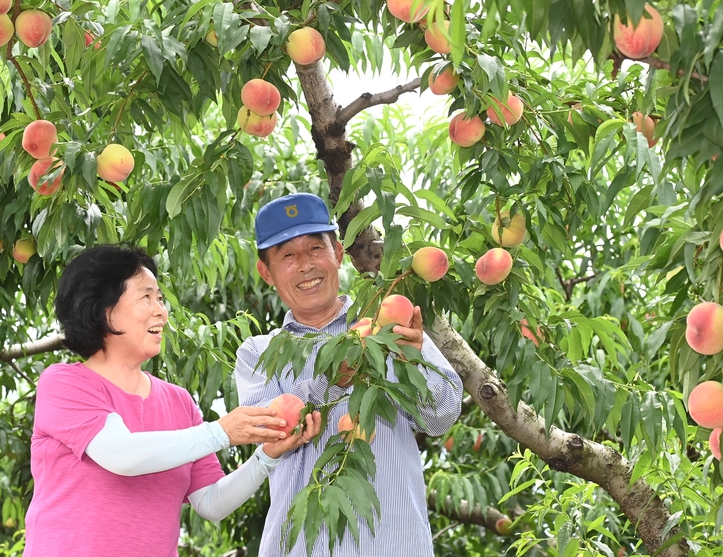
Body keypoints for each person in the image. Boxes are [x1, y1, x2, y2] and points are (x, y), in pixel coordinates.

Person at [24, 244, 321, 557]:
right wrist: (221, 432)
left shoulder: (177, 401)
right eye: (146, 297)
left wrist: (266, 457)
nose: (161, 311)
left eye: (160, 298)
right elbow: (121, 455)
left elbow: (211, 503)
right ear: (103, 308)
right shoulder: (65, 383)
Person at [235, 193, 464, 556]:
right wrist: (332, 377)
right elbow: (272, 431)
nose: (306, 265)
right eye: (288, 256)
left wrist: (412, 359)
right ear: (266, 272)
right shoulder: (257, 354)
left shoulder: (389, 321)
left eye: (315, 248)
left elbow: (441, 418)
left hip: (395, 544)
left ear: (338, 253)